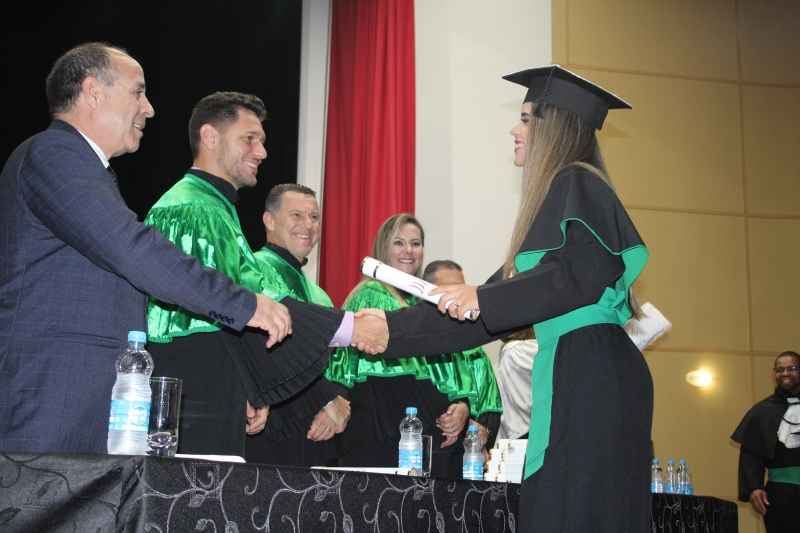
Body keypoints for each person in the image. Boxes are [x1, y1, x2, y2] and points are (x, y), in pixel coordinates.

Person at [359, 66, 653, 532]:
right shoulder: (564, 193)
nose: (515, 130)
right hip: (583, 366)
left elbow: (575, 276)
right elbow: (479, 314)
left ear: (555, 127)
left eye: (526, 118)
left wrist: (480, 296)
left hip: (591, 371)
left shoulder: (576, 180)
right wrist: (387, 330)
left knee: (576, 511)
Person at [0, 43, 292, 455]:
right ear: (93, 92)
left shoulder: (88, 168)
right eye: (138, 92)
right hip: (52, 394)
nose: (149, 108)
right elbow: (131, 247)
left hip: (89, 398)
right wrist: (245, 305)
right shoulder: (53, 153)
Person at [145, 93, 382, 457]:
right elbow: (245, 301)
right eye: (249, 138)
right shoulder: (195, 207)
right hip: (196, 383)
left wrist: (251, 386)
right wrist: (350, 328)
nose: (262, 152)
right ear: (210, 137)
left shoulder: (212, 206)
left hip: (208, 378)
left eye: (262, 141)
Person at [328, 215, 483, 478]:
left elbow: (448, 369)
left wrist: (461, 406)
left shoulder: (420, 304)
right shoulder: (371, 293)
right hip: (382, 429)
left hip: (417, 433)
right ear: (383, 248)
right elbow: (350, 366)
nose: (408, 250)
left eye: (416, 243)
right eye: (399, 242)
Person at [245, 183, 351, 467]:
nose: (308, 225)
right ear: (269, 220)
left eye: (314, 217)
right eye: (296, 215)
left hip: (315, 434)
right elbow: (266, 352)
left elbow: (337, 362)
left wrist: (337, 401)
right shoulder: (252, 271)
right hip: (271, 430)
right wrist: (327, 399)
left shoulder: (319, 294)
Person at [422, 260, 503, 451]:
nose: (456, 296)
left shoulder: (473, 349)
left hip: (464, 455)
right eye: (447, 288)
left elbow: (489, 405)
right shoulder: (414, 342)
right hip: (419, 447)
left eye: (460, 288)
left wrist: (484, 431)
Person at [732, 351, 800, 533]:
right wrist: (754, 488)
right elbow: (750, 456)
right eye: (780, 370)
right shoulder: (761, 412)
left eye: (792, 368)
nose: (785, 373)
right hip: (780, 496)